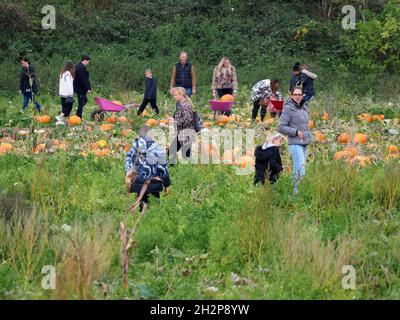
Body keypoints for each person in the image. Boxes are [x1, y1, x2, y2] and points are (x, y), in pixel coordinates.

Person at [125, 125, 171, 212]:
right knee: (154, 208)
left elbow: (128, 165)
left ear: (139, 136)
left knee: (141, 202)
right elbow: (163, 168)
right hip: (153, 183)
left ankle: (141, 217)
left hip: (138, 184)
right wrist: (167, 184)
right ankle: (152, 219)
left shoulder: (133, 148)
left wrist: (128, 181)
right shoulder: (158, 148)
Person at [278, 87, 312, 194]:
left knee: (299, 169)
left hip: (303, 143)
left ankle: (296, 193)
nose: (297, 96)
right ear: (291, 96)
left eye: (299, 94)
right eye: (295, 94)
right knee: (300, 170)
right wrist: (296, 132)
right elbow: (280, 127)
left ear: (302, 95)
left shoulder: (304, 108)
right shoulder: (288, 108)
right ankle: (296, 195)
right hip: (295, 143)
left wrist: (309, 136)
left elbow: (305, 125)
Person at [168, 87, 196, 165]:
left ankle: (172, 167)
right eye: (174, 95)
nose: (174, 96)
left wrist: (177, 122)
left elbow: (188, 118)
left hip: (186, 132)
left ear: (181, 95)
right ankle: (185, 167)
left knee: (172, 150)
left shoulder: (185, 105)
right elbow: (182, 116)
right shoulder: (181, 104)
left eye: (176, 95)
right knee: (185, 153)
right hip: (184, 132)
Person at [73, 54, 92, 119]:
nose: (88, 63)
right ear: (85, 60)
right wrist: (88, 88)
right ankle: (78, 117)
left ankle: (78, 113)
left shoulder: (77, 66)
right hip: (80, 88)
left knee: (84, 100)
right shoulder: (81, 68)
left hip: (77, 86)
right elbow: (84, 79)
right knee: (81, 102)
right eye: (88, 61)